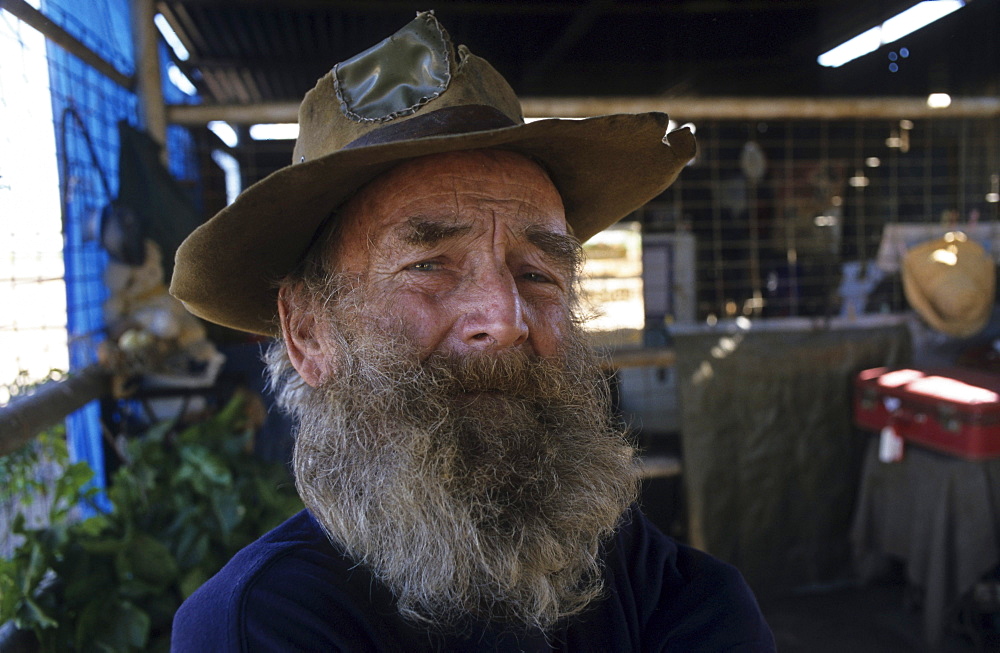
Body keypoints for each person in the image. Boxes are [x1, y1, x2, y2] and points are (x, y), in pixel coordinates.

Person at [169, 11, 775, 652]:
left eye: (538, 273)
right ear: (310, 334)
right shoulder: (264, 626)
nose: (505, 319)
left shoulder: (662, 589)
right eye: (427, 266)